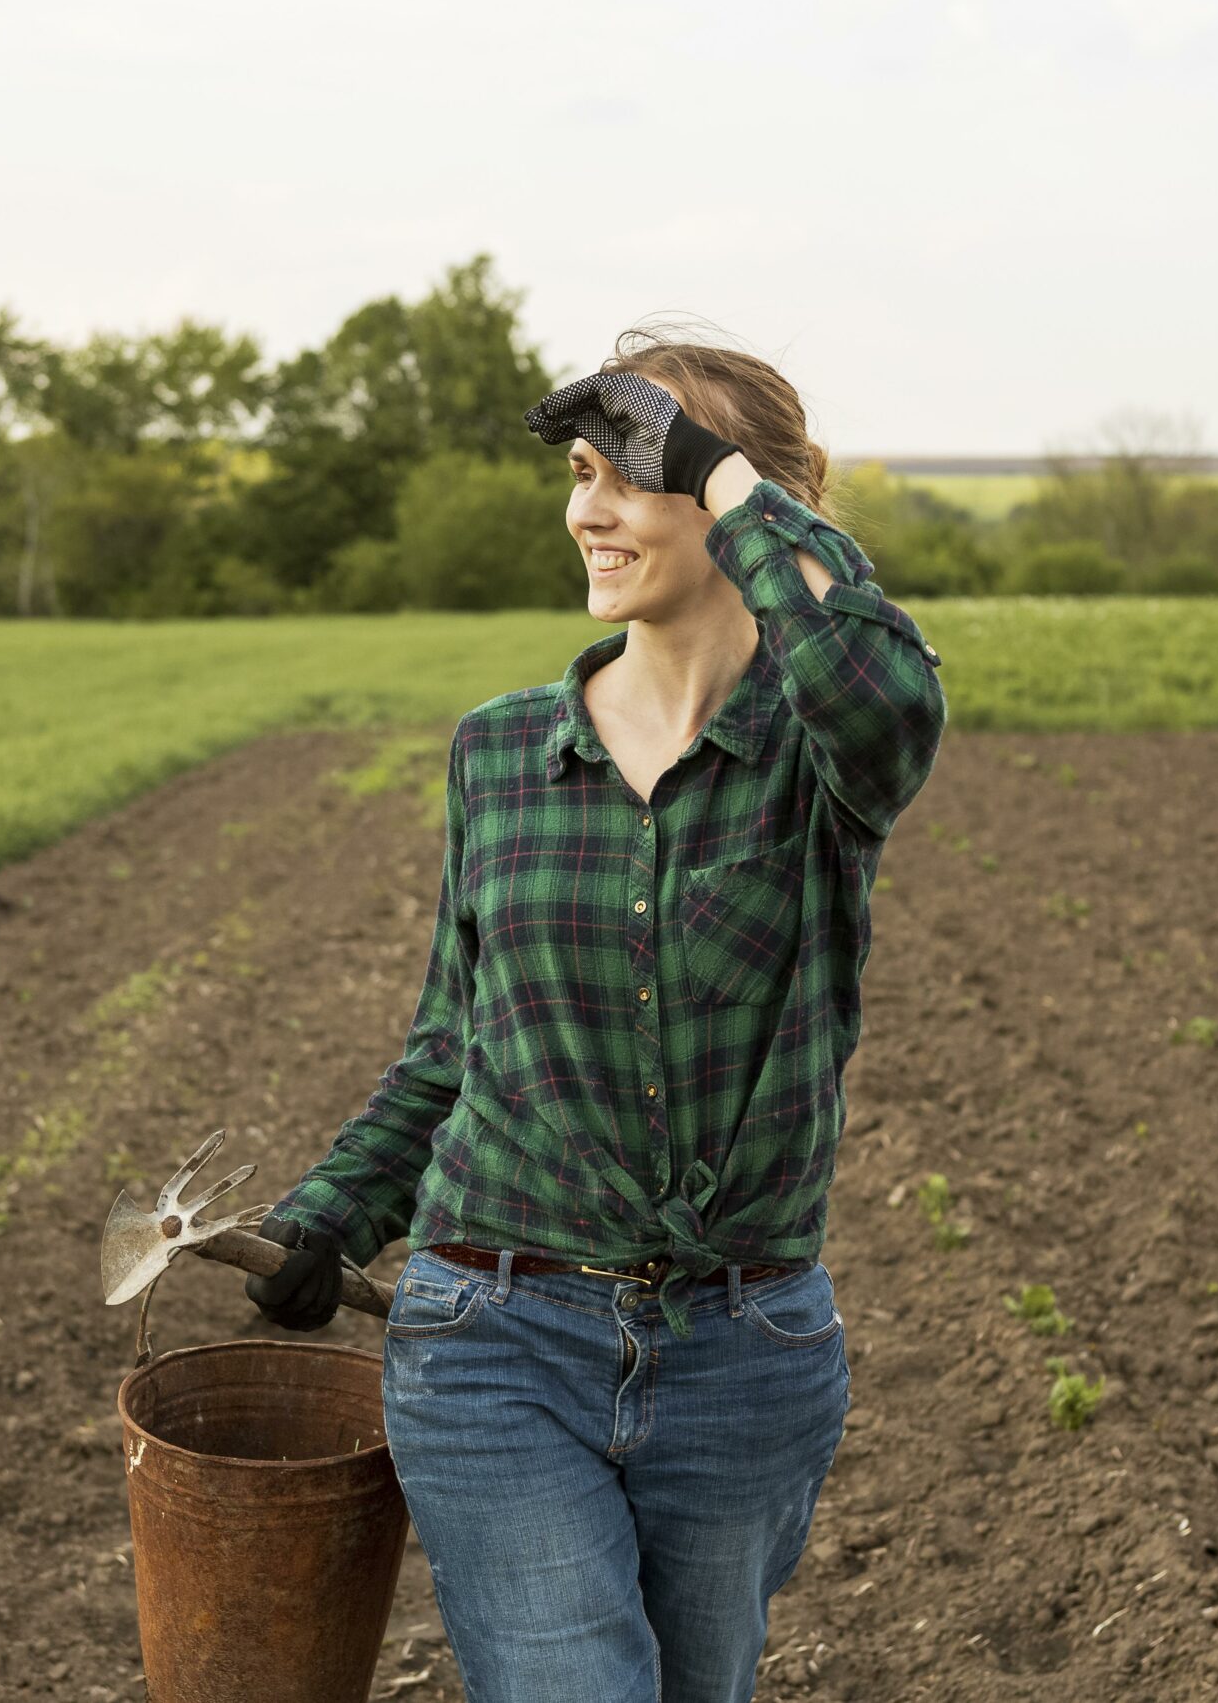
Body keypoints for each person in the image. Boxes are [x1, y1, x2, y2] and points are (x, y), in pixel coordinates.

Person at [247, 326, 947, 1702]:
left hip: (743, 1353)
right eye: (582, 471)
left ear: (749, 495)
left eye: (638, 470)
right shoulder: (502, 751)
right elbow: (456, 1045)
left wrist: (727, 477)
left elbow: (881, 688)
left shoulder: (821, 753)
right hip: (494, 1334)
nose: (591, 510)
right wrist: (334, 1212)